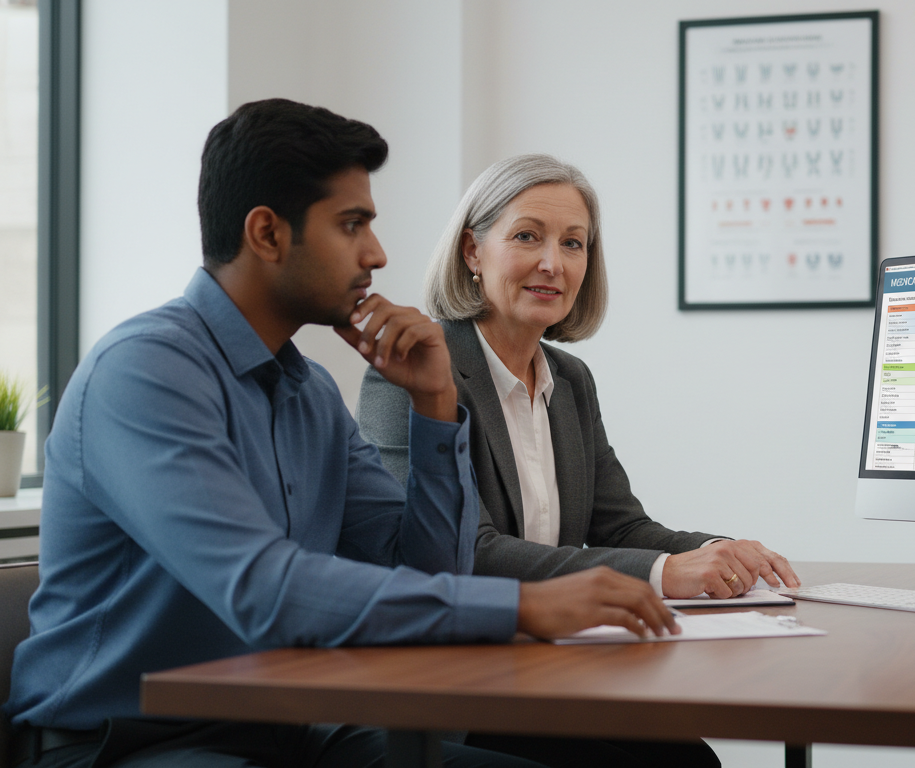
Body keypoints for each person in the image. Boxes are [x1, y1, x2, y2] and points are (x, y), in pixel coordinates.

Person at [3, 101, 677, 768]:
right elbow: (266, 591)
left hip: (288, 724)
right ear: (267, 234)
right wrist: (521, 605)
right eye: (352, 225)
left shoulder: (309, 392)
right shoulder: (146, 372)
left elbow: (431, 571)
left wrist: (436, 404)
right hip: (129, 743)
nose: (377, 253)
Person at [358, 154, 803, 768]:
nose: (553, 263)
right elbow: (469, 550)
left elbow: (619, 527)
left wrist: (717, 550)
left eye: (574, 243)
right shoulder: (410, 374)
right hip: (457, 683)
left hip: (552, 668)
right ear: (471, 251)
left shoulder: (569, 379)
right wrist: (666, 572)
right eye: (527, 236)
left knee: (690, 760)